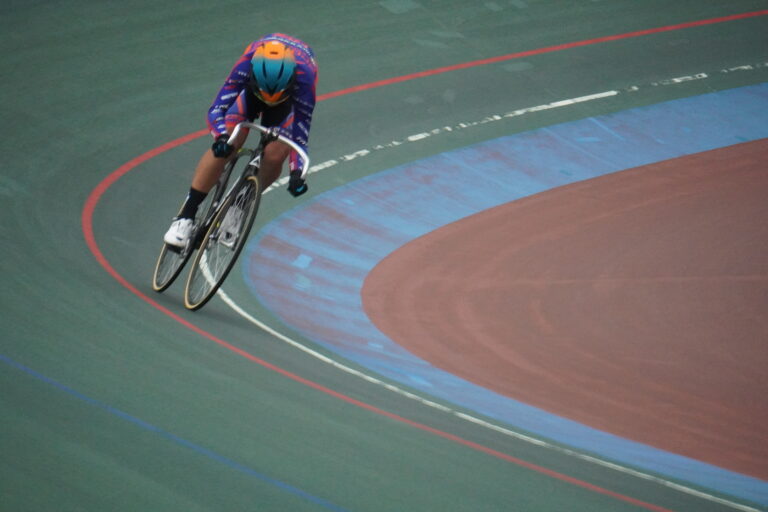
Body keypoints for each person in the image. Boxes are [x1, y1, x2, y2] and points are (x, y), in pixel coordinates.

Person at [164, 33, 318, 248]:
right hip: (249, 95)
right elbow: (217, 109)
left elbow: (300, 139)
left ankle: (241, 204)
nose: (268, 101)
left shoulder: (305, 80)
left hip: (288, 103)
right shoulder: (246, 65)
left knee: (275, 153)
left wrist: (296, 174)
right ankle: (185, 216)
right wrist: (221, 138)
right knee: (232, 139)